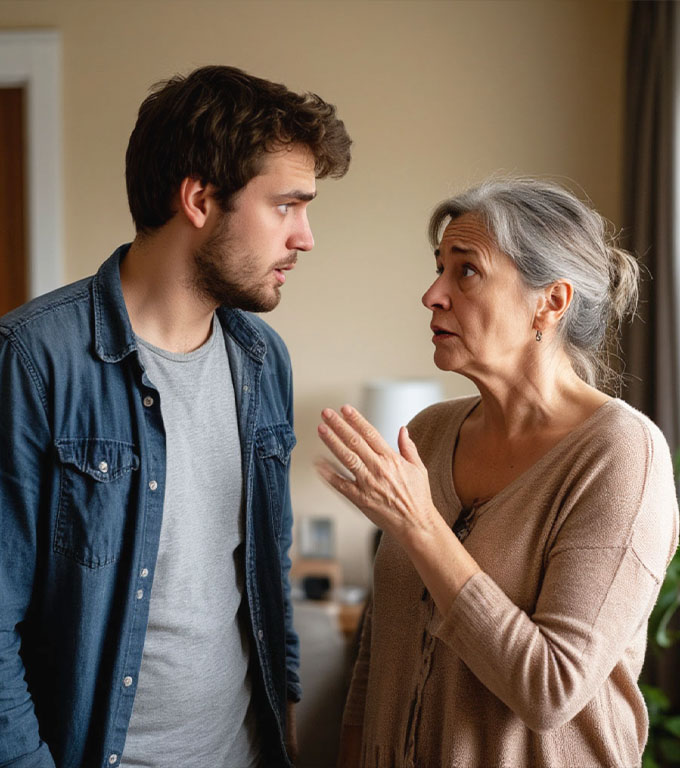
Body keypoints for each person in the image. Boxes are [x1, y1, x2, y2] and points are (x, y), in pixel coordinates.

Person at [0, 65, 350, 768]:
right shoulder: (36, 359)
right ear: (198, 198)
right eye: (286, 205)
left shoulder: (261, 361)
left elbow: (264, 574)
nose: (305, 237)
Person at [317, 178, 679, 767]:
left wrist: (420, 527)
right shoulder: (430, 432)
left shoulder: (621, 454)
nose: (432, 294)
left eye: (466, 272)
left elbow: (551, 690)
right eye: (439, 268)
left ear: (551, 302)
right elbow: (378, 649)